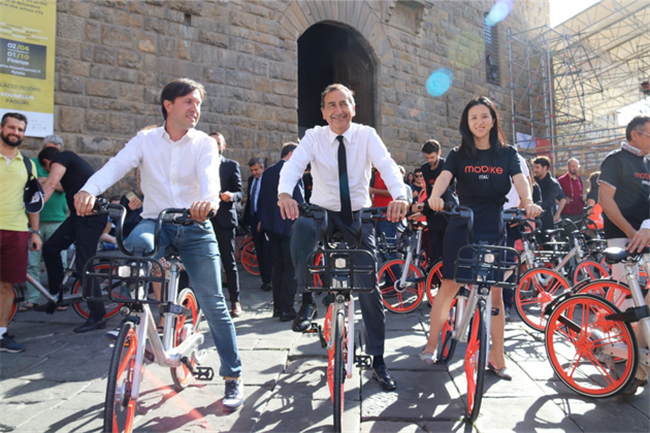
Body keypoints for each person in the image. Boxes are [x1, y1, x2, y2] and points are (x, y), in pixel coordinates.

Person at [73, 78, 244, 409]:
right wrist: (88, 191)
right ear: (168, 104)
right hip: (156, 222)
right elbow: (115, 167)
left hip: (194, 225)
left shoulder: (204, 144)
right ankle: (137, 319)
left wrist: (207, 203)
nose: (195, 109)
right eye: (188, 103)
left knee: (214, 302)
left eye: (198, 104)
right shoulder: (146, 140)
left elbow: (210, 179)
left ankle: (233, 376)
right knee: (136, 246)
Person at [277, 83, 410, 391]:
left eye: (344, 104)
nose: (339, 110)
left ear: (354, 107)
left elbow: (388, 167)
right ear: (323, 112)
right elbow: (293, 167)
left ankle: (378, 359)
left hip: (357, 217)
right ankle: (306, 297)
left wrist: (400, 195)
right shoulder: (314, 136)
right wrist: (284, 193)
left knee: (369, 287)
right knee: (300, 229)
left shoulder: (366, 135)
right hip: (322, 212)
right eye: (331, 105)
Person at [421, 96, 542, 380]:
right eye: (473, 117)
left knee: (496, 293)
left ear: (493, 119)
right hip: (463, 220)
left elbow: (521, 181)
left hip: (495, 222)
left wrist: (527, 200)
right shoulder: (458, 152)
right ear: (467, 122)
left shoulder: (508, 153)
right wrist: (434, 197)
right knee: (450, 283)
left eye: (484, 116)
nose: (479, 121)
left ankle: (498, 359)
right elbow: (445, 176)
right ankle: (431, 342)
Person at [598, 115, 650, 396]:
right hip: (622, 237)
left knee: (643, 300)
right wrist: (632, 232)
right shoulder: (615, 159)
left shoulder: (648, 162)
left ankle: (637, 355)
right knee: (627, 299)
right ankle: (631, 358)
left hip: (645, 238)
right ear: (635, 134)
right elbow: (606, 201)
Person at [37, 146, 108, 331]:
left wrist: (33, 208)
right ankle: (56, 298)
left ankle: (98, 316)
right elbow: (60, 185)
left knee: (84, 264)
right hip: (78, 217)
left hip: (92, 217)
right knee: (50, 248)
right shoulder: (71, 164)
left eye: (47, 170)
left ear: (47, 163)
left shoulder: (64, 157)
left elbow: (52, 184)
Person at [0, 112, 42, 353]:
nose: (16, 132)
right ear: (2, 128)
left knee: (6, 286)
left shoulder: (28, 164)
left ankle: (1, 334)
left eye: (20, 129)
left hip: (17, 231)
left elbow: (32, 201)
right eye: (12, 127)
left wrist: (35, 232)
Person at [258, 142, 304, 322]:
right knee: (290, 267)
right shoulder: (293, 170)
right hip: (289, 225)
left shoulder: (268, 172)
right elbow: (299, 200)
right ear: (292, 154)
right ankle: (287, 308)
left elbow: (261, 200)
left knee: (277, 267)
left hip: (272, 226)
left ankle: (277, 308)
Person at [23, 135, 69, 311]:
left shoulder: (64, 164)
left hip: (57, 219)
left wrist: (46, 182)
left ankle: (59, 298)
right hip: (34, 221)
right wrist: (50, 182)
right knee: (32, 262)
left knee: (61, 262)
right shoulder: (33, 164)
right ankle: (33, 299)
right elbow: (28, 184)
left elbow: (64, 186)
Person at [209, 131, 244, 318]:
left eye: (217, 143)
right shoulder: (201, 165)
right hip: (205, 219)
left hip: (224, 220)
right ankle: (210, 303)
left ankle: (235, 301)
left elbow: (240, 193)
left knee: (228, 262)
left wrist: (232, 196)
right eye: (211, 142)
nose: (214, 145)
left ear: (223, 146)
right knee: (208, 263)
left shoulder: (231, 165)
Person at [411, 139, 457, 264]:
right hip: (433, 215)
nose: (430, 160)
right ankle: (436, 279)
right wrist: (424, 211)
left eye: (432, 157)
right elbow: (430, 193)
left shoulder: (447, 166)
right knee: (435, 254)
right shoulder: (425, 169)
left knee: (449, 253)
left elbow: (448, 191)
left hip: (447, 212)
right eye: (427, 157)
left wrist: (424, 205)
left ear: (439, 153)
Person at [243, 157, 272, 292]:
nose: (254, 173)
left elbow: (268, 202)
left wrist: (264, 220)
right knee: (259, 251)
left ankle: (269, 279)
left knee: (267, 251)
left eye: (256, 170)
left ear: (262, 168)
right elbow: (250, 199)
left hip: (265, 219)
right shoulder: (251, 180)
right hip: (254, 219)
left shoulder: (268, 179)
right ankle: (264, 279)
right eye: (252, 170)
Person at [532, 156, 562, 241]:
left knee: (547, 247)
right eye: (534, 167)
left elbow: (549, 201)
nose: (535, 170)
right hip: (532, 219)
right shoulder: (533, 181)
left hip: (545, 220)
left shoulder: (553, 183)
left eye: (537, 167)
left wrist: (536, 208)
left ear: (545, 168)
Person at [557, 158, 585, 224]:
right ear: (568, 167)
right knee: (569, 233)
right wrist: (559, 202)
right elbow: (553, 195)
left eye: (576, 166)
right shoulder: (561, 180)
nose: (575, 168)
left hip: (580, 213)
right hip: (568, 213)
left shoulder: (579, 179)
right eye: (573, 166)